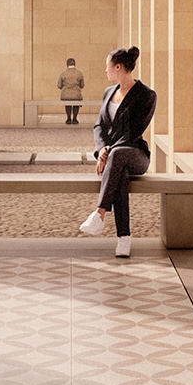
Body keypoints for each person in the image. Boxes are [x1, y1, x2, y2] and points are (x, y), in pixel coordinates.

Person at [77, 46, 156, 258]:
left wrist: (109, 151)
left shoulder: (146, 95)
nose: (106, 70)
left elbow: (135, 131)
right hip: (114, 157)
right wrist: (102, 149)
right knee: (119, 174)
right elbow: (99, 126)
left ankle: (99, 213)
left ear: (118, 67)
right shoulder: (108, 92)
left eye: (108, 66)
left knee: (118, 156)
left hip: (136, 155)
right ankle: (124, 239)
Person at [57, 57, 85, 124]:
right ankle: (75, 119)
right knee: (76, 104)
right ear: (75, 64)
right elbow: (82, 85)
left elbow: (59, 85)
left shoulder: (63, 74)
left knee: (68, 105)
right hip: (76, 94)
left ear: (67, 64)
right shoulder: (79, 73)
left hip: (65, 95)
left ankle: (68, 119)